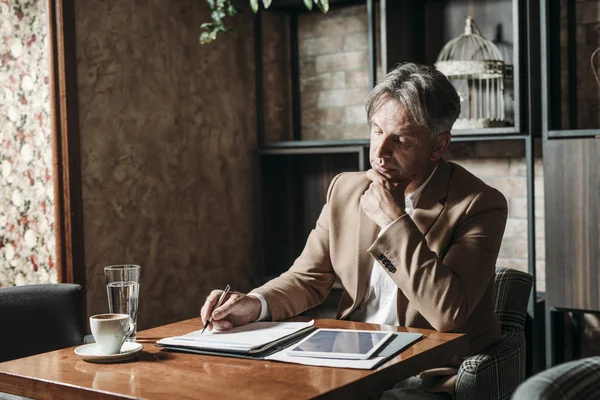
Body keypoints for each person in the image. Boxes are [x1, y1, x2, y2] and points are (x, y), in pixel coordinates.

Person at [200, 62, 507, 399]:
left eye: (400, 139)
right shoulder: (345, 189)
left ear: (438, 146)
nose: (380, 151)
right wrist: (255, 303)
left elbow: (447, 312)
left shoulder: (479, 204)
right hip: (348, 363)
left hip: (425, 375)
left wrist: (393, 220)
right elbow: (306, 278)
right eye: (377, 130)